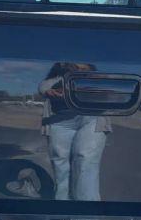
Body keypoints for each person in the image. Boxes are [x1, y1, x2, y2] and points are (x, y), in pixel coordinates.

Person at [38, 62, 110, 206]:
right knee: (61, 168)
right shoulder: (56, 79)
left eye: (83, 68)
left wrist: (99, 80)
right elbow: (44, 87)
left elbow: (108, 91)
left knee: (86, 164)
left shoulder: (95, 79)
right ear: (64, 66)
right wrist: (51, 91)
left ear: (91, 68)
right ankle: (62, 215)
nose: (78, 70)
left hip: (92, 119)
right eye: (74, 67)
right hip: (59, 121)